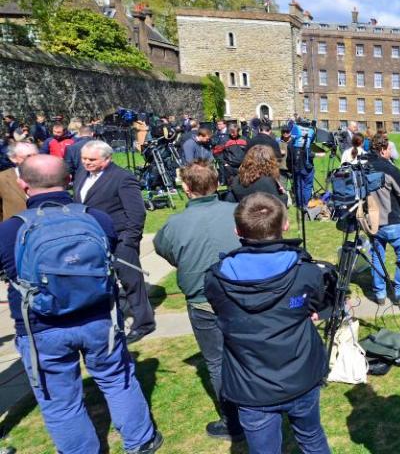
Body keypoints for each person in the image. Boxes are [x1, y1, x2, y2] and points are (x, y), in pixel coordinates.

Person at [0, 154, 162, 454]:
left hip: (41, 326)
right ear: (69, 180)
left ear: (23, 184)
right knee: (118, 380)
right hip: (99, 317)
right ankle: (141, 441)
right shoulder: (96, 218)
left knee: (60, 401)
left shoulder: (9, 231)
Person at [205, 192, 333, 452]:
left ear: (237, 230)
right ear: (285, 225)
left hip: (256, 386)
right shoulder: (305, 273)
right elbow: (315, 306)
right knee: (312, 438)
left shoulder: (216, 279)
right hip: (290, 377)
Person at [153, 160, 243, 440]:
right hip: (236, 300)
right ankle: (243, 416)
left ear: (186, 188)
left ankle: (235, 421)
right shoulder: (237, 213)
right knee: (242, 355)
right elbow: (165, 250)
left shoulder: (177, 223)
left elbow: (167, 251)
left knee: (217, 362)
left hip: (208, 301)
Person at [75, 140, 155, 343]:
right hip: (93, 240)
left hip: (120, 239)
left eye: (91, 159)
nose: (86, 162)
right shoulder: (81, 175)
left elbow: (136, 213)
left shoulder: (122, 178)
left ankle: (143, 322)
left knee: (131, 280)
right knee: (102, 281)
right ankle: (112, 320)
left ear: (107, 158)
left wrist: (129, 240)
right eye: (84, 158)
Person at [368, 133, 400, 305]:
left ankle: (379, 293)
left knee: (377, 256)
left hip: (373, 220)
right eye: (389, 149)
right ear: (383, 150)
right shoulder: (390, 169)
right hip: (392, 219)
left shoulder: (365, 166)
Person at [0, 141, 37, 221]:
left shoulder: (48, 175)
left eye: (36, 155)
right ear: (13, 158)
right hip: (14, 229)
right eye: (28, 156)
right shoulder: (2, 178)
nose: (34, 160)